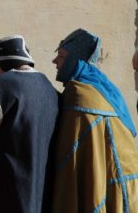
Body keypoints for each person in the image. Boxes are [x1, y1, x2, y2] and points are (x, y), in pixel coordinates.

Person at [52, 29, 138, 212]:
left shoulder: (80, 94)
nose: (55, 61)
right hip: (126, 188)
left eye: (61, 55)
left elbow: (75, 166)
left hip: (110, 186)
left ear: (76, 59)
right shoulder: (106, 88)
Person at [0, 35, 59, 213]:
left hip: (4, 192)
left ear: (2, 62)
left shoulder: (0, 87)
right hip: (41, 190)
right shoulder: (50, 89)